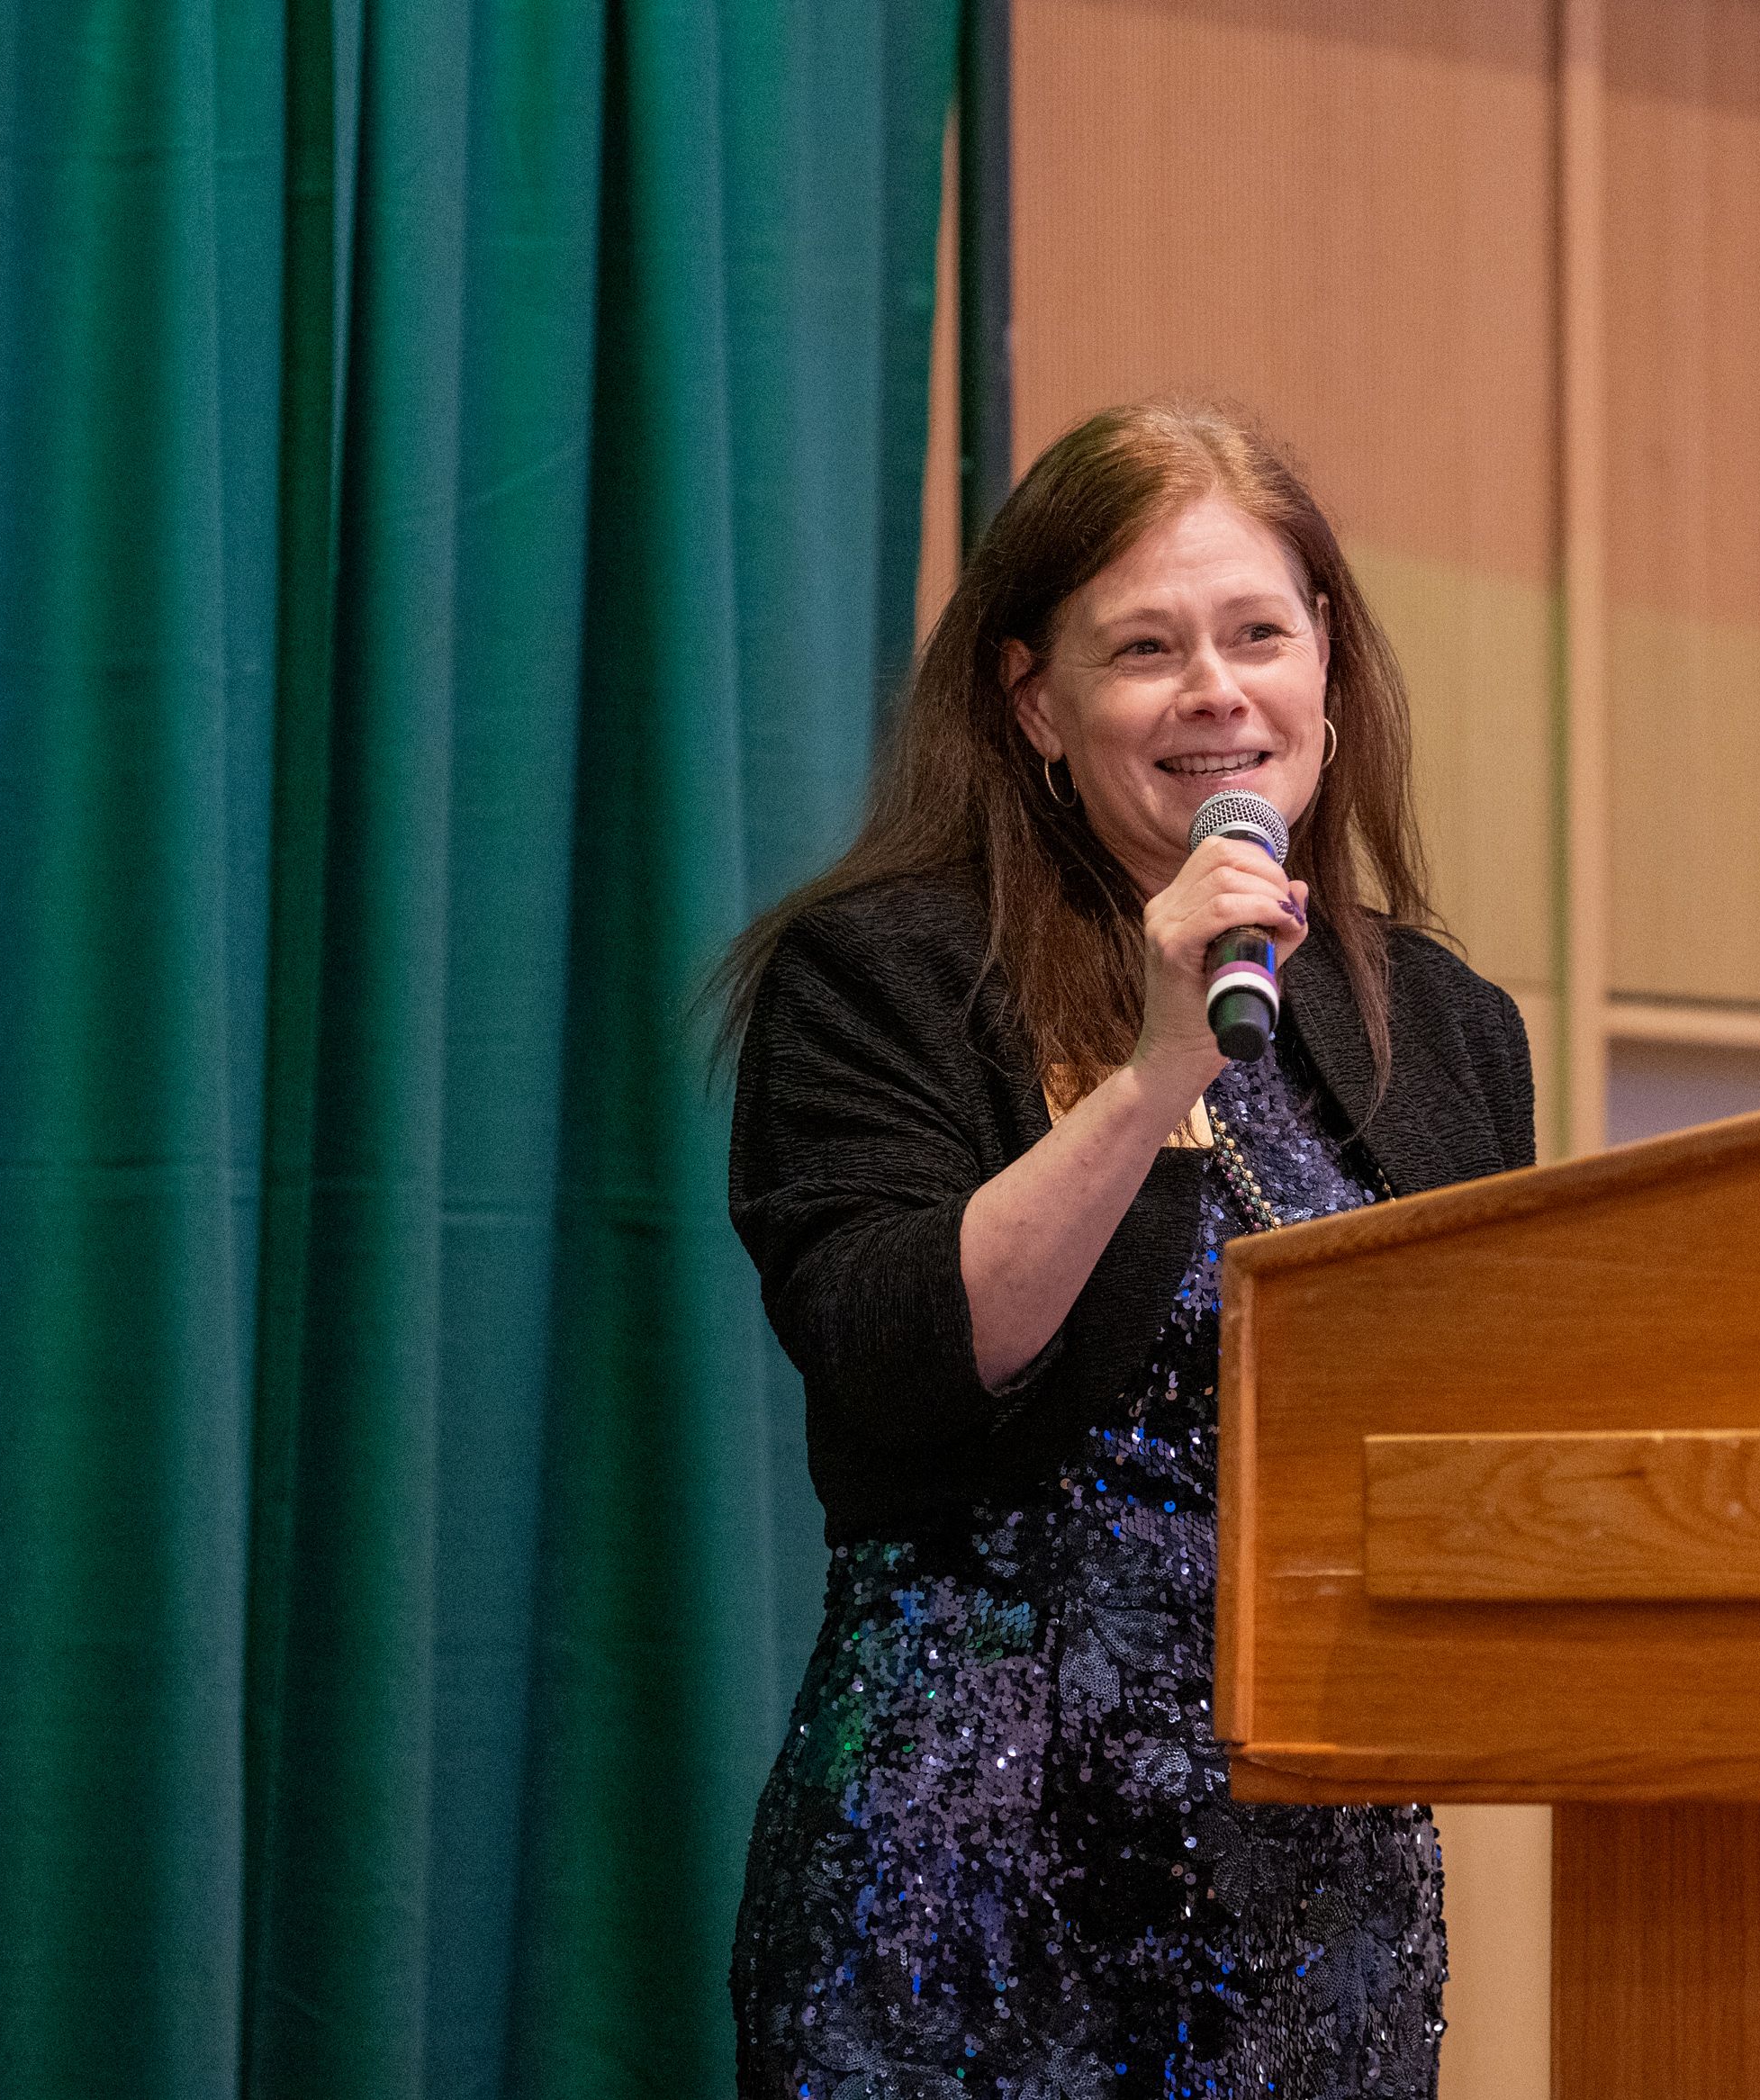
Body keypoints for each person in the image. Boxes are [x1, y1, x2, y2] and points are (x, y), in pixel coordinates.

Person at [716, 399, 1537, 2099]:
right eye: (1145, 648)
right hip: (965, 1877)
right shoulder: (885, 972)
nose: (1216, 692)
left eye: (1259, 633)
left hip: (1316, 1892)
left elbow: (1488, 1428)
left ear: (1328, 664)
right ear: (1034, 699)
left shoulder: (1445, 1026)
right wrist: (1161, 1063)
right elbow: (903, 1349)